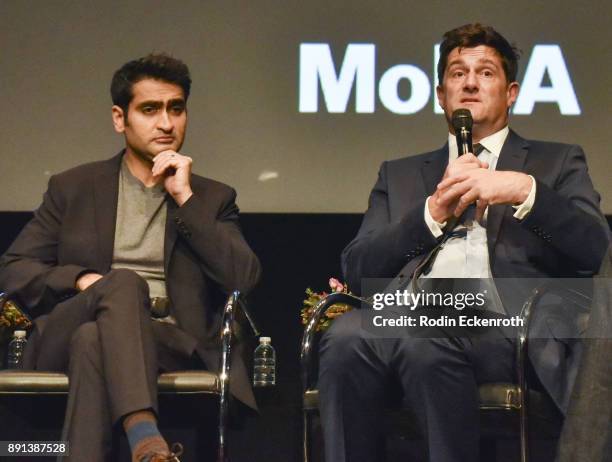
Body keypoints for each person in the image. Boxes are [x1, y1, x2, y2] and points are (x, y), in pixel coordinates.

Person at [318, 24, 610, 462]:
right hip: (406, 316)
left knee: (427, 338)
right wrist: (431, 213)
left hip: (507, 325)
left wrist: (522, 189)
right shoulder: (399, 174)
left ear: (511, 92)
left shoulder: (557, 161)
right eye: (457, 73)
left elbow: (594, 249)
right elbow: (359, 267)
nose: (470, 82)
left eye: (485, 72)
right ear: (440, 94)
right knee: (344, 336)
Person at [0, 54, 261, 462]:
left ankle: (138, 442)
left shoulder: (210, 197)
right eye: (150, 109)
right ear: (120, 119)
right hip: (67, 328)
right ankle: (146, 439)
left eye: (176, 108)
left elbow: (243, 277)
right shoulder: (73, 188)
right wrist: (82, 280)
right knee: (120, 285)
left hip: (164, 340)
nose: (166, 123)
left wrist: (185, 200)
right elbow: (15, 267)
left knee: (94, 341)